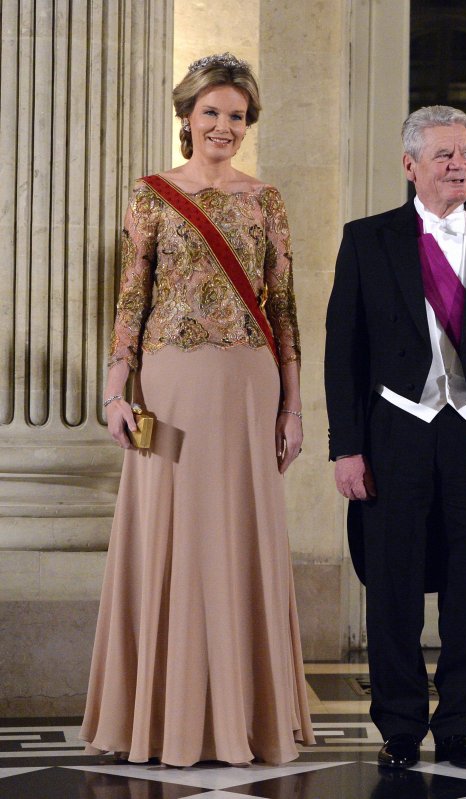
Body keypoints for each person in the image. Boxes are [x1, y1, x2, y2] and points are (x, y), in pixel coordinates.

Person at [81, 53, 314, 766]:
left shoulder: (265, 199)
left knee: (241, 532)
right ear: (186, 117)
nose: (224, 126)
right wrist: (117, 390)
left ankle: (249, 717)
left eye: (237, 116)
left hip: (249, 383)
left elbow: (283, 307)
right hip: (171, 384)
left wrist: (294, 406)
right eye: (211, 113)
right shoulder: (150, 195)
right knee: (170, 530)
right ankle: (162, 716)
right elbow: (131, 298)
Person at [324, 105, 466, 771]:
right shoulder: (369, 240)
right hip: (395, 432)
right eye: (445, 155)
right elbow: (345, 354)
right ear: (410, 166)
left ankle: (458, 724)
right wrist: (347, 446)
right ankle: (399, 725)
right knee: (391, 586)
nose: (460, 165)